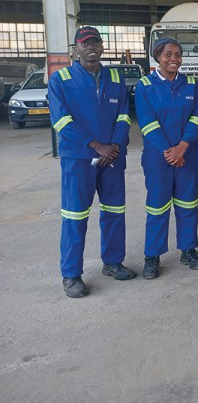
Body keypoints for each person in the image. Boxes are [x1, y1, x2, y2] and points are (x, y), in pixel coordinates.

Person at [48, 26, 135, 298]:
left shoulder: (116, 77)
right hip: (79, 159)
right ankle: (71, 275)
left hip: (112, 158)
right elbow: (61, 121)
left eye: (96, 42)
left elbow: (123, 115)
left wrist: (115, 146)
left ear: (102, 47)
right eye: (85, 43)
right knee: (75, 215)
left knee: (114, 212)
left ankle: (112, 262)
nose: (91, 47)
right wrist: (97, 146)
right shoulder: (60, 79)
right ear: (76, 48)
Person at [135, 38, 198, 279]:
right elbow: (147, 123)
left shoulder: (191, 85)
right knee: (157, 206)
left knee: (188, 204)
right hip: (158, 157)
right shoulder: (144, 86)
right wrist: (170, 151)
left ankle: (188, 250)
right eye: (168, 54)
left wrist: (183, 147)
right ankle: (152, 256)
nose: (173, 59)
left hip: (188, 154)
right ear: (157, 57)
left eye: (177, 54)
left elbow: (196, 117)